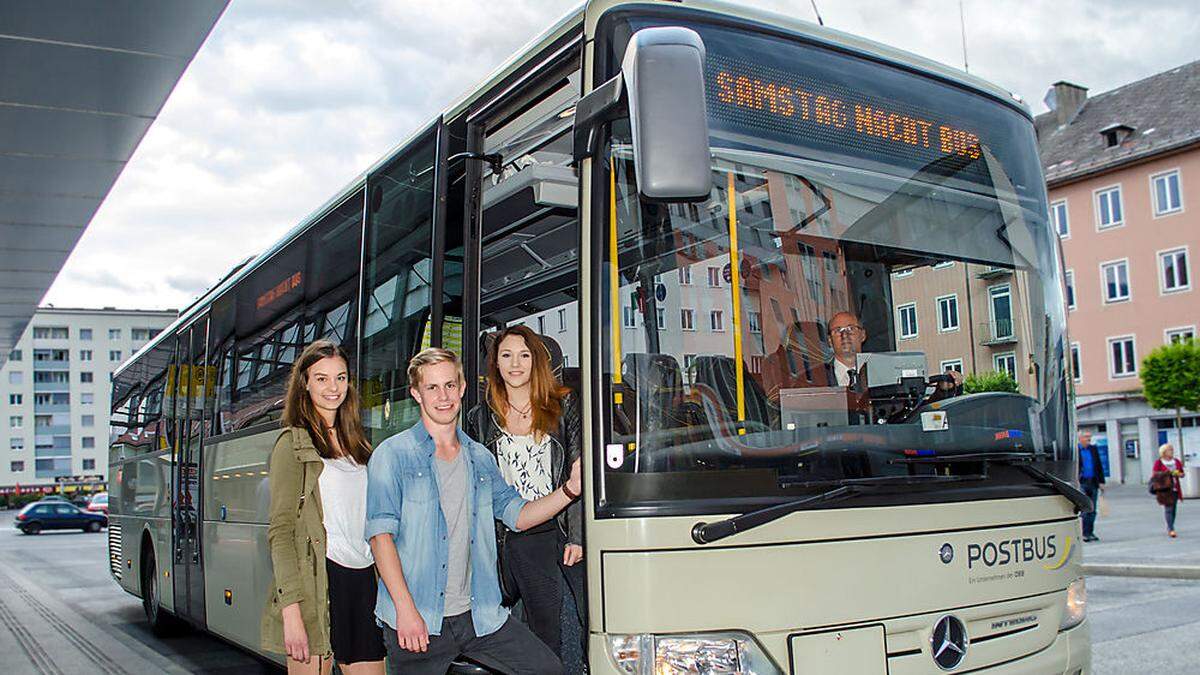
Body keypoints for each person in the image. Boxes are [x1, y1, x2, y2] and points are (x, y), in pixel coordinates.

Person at [366, 348, 581, 675]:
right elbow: (381, 539)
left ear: (463, 387)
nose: (443, 396)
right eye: (432, 388)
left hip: (479, 616)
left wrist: (570, 490)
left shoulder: (480, 457)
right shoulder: (392, 455)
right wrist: (405, 611)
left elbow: (518, 515)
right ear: (416, 394)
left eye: (450, 386)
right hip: (420, 620)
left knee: (548, 669)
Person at [262, 340, 385, 675]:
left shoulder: (358, 444)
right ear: (304, 382)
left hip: (364, 580)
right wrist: (292, 612)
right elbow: (281, 532)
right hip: (319, 582)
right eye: (321, 378)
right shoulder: (293, 444)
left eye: (340, 377)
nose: (333, 387)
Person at [465, 326, 585, 662]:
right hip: (503, 535)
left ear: (536, 361)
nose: (515, 363)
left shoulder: (563, 406)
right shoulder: (479, 419)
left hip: (551, 533)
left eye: (524, 355)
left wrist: (577, 536)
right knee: (502, 642)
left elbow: (578, 474)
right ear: (496, 365)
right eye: (506, 355)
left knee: (550, 638)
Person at [827, 311, 963, 392]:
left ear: (863, 335)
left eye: (851, 329)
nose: (844, 335)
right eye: (837, 331)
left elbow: (911, 411)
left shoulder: (887, 372)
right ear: (829, 341)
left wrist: (944, 388)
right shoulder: (815, 379)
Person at [1151, 443, 1185, 538]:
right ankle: (1171, 529)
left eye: (1172, 450)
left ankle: (1170, 525)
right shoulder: (1159, 462)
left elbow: (1182, 473)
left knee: (1173, 509)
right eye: (1170, 450)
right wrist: (1168, 473)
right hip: (1164, 489)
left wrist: (1179, 474)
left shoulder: (1176, 461)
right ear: (1164, 452)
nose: (1172, 451)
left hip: (1175, 488)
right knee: (1168, 509)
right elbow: (1155, 474)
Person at [1077, 430, 1106, 542]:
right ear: (1080, 438)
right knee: (1085, 508)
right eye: (1086, 437)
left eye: (1090, 437)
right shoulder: (1076, 450)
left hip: (1093, 481)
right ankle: (1084, 533)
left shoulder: (1093, 449)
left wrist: (1102, 482)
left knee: (1093, 509)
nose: (1089, 439)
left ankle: (1090, 532)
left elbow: (1098, 466)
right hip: (1082, 482)